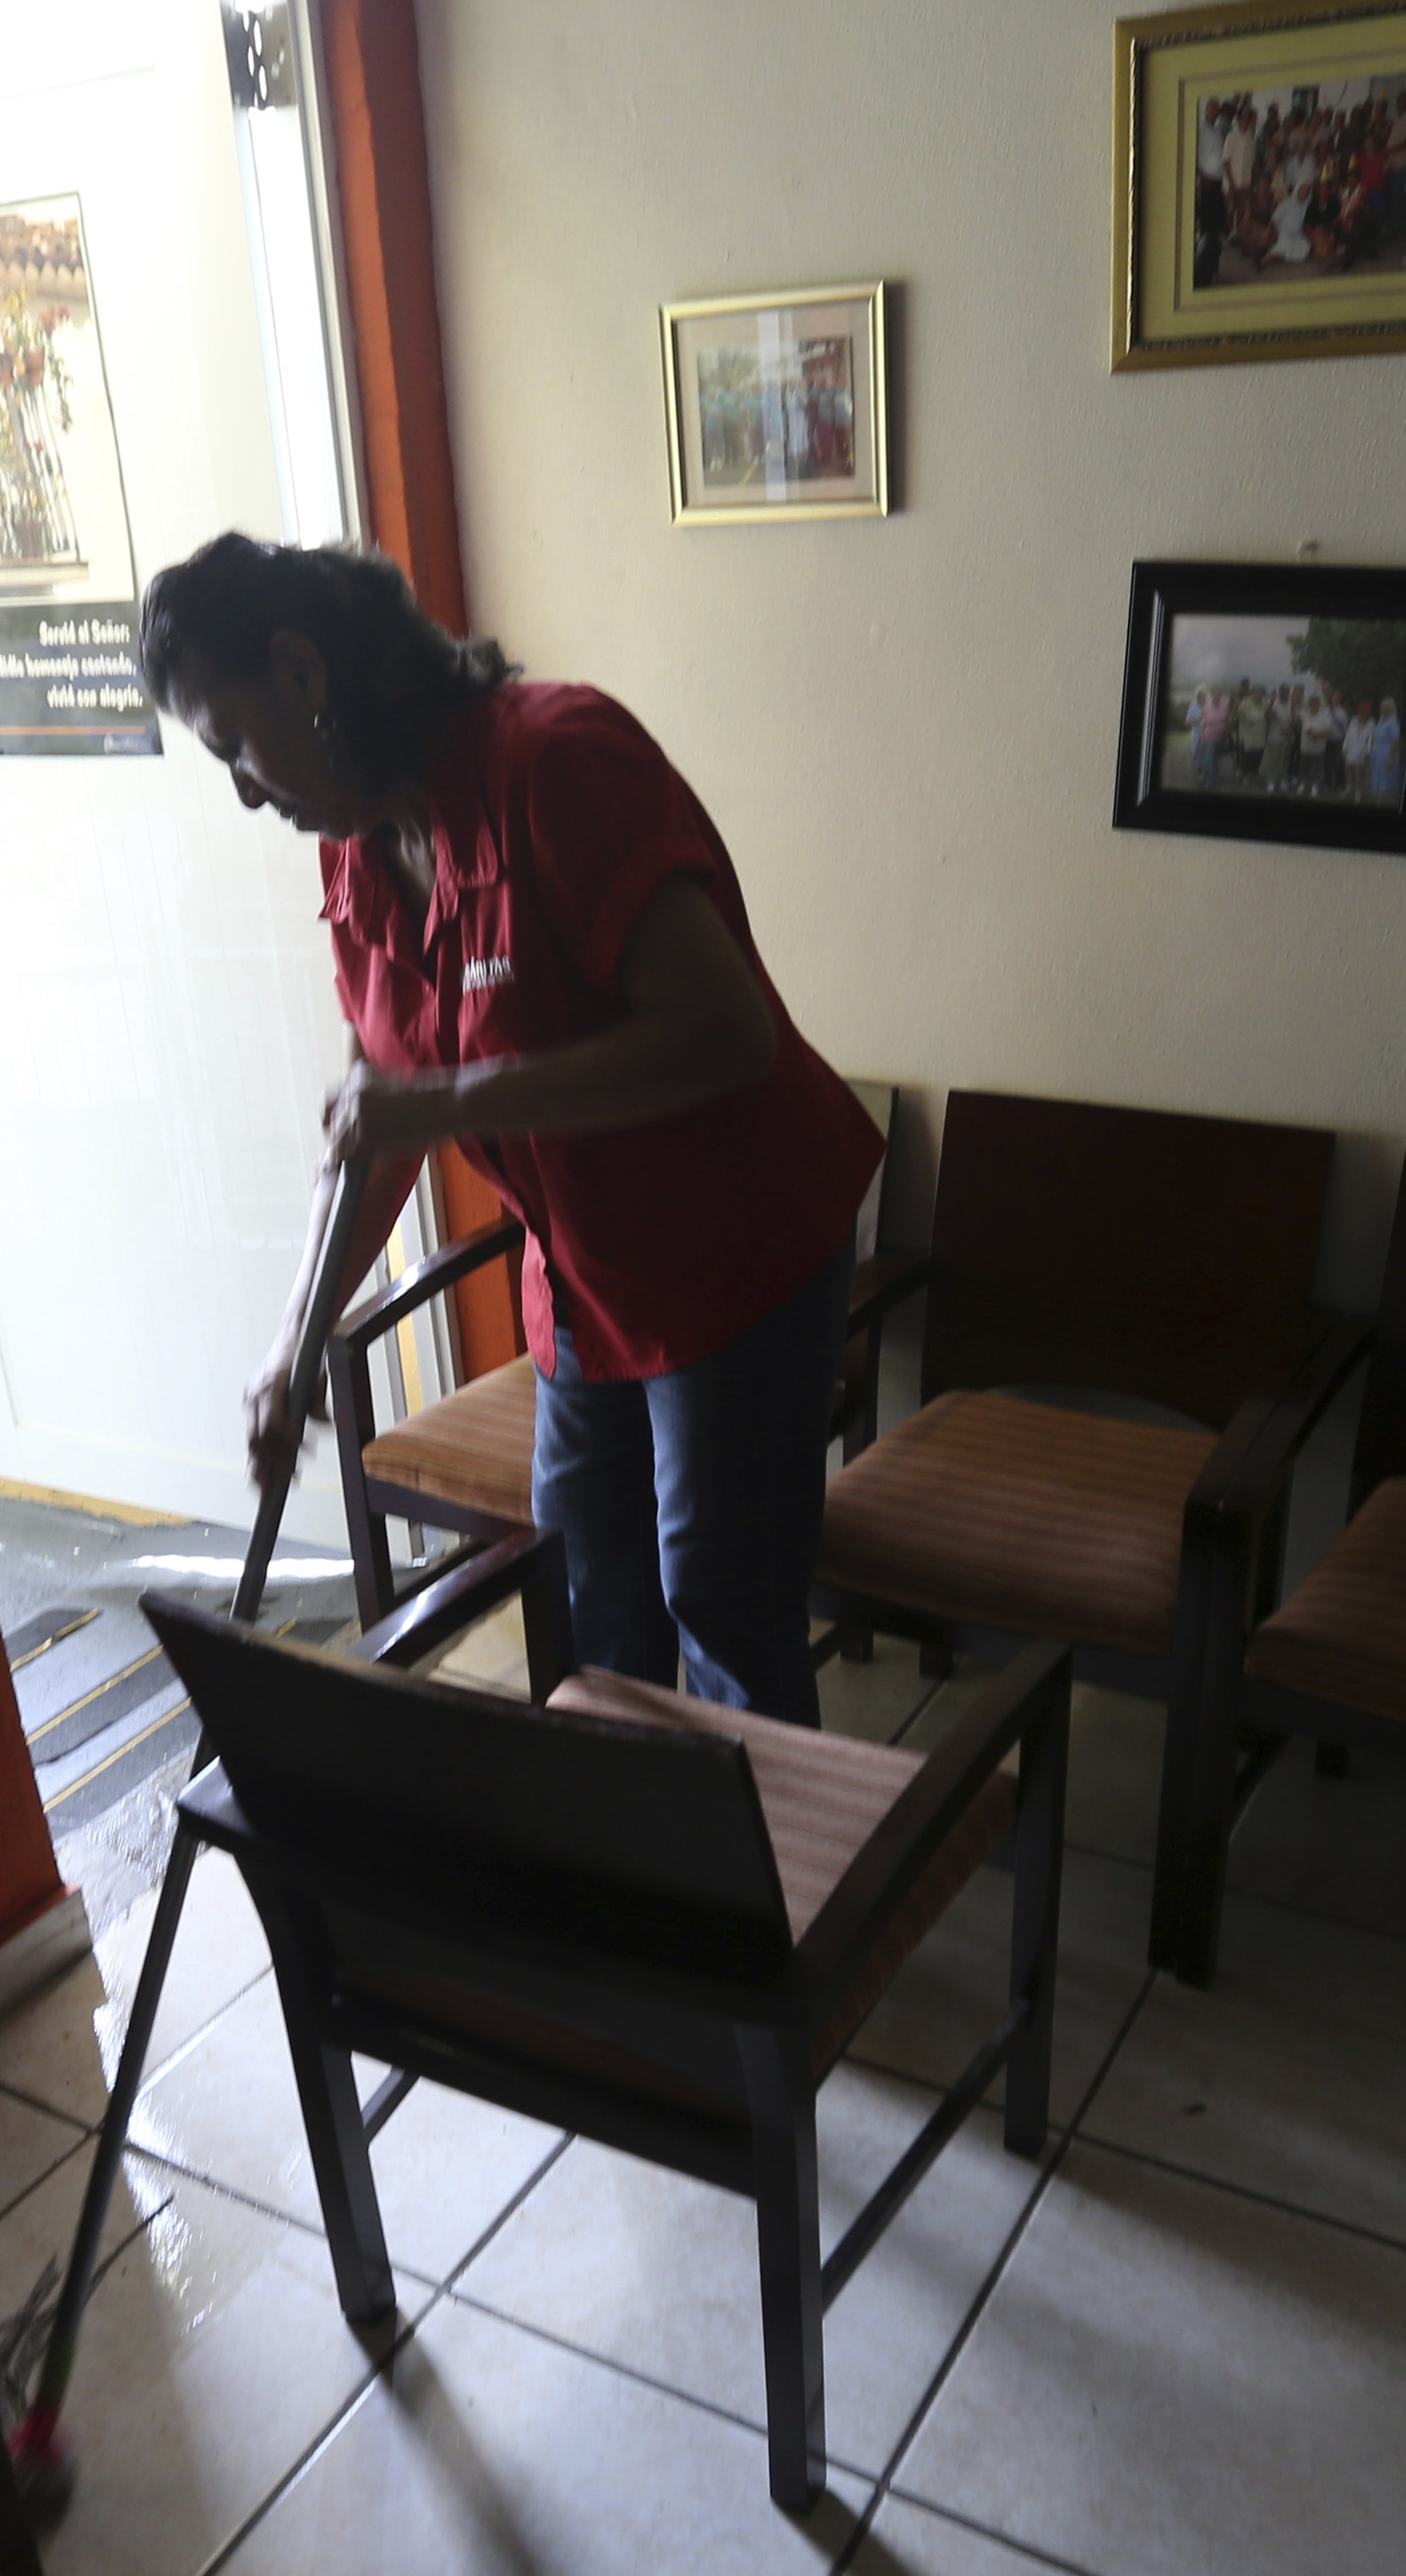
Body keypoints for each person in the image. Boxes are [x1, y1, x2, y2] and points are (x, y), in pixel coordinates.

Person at [137, 534, 882, 1725]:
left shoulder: (555, 763)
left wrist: (449, 1100)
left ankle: (765, 1847)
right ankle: (615, 1841)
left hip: (733, 1257)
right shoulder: (359, 849)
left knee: (721, 1604)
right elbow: (376, 1122)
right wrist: (294, 1345)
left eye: (233, 744)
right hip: (581, 1279)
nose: (244, 790)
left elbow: (725, 1036)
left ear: (301, 670)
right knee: (590, 1601)